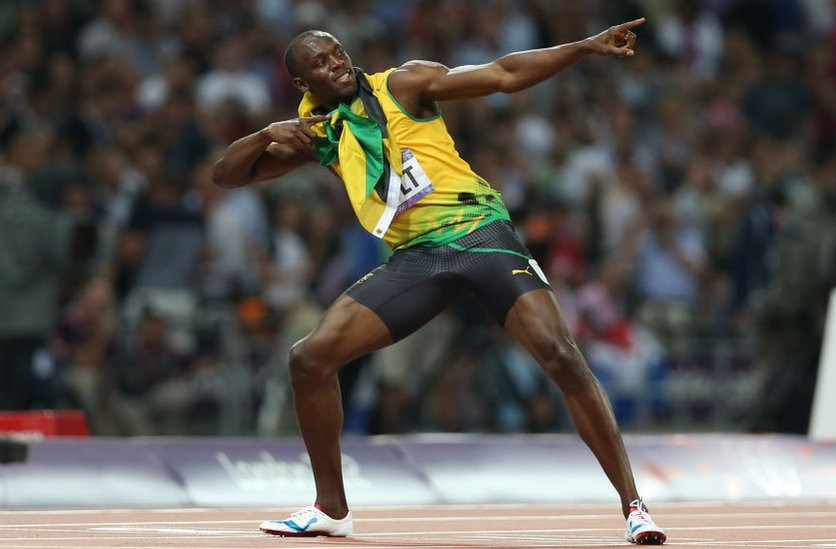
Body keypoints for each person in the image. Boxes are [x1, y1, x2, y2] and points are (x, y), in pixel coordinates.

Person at [212, 19, 666, 545]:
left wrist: (583, 47)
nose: (335, 63)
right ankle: (331, 508)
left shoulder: (404, 84)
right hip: (417, 258)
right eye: (321, 62)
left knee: (560, 354)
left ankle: (634, 506)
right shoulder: (318, 134)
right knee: (308, 359)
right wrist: (266, 134)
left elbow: (502, 74)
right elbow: (228, 175)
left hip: (481, 235)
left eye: (338, 52)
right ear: (300, 83)